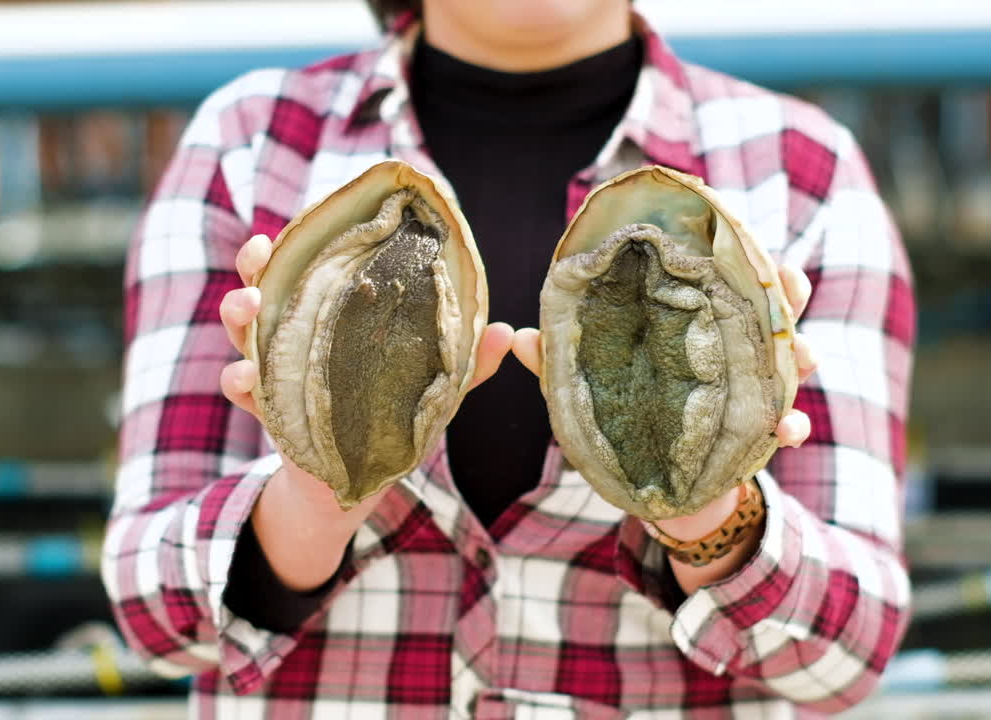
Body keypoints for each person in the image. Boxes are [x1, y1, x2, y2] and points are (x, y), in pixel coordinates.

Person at [102, 0, 916, 716]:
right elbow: (157, 619)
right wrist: (316, 489)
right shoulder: (249, 143)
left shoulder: (802, 170)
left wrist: (706, 509)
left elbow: (848, 655)